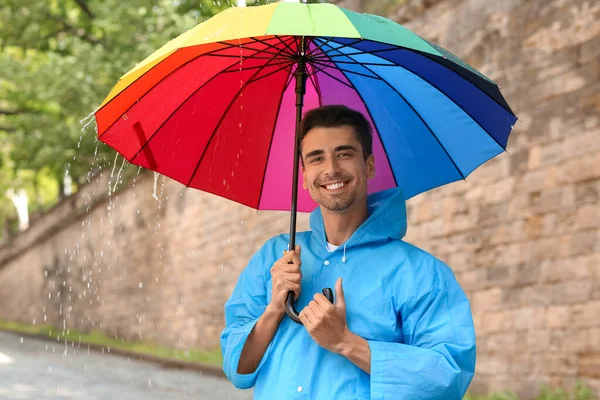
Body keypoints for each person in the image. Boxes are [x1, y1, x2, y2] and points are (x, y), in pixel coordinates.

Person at [220, 105, 476, 399]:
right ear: (303, 177)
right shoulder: (274, 257)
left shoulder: (422, 273)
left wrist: (345, 342)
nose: (331, 169)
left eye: (344, 153)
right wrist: (274, 310)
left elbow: (447, 377)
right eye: (316, 158)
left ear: (368, 166)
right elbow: (236, 368)